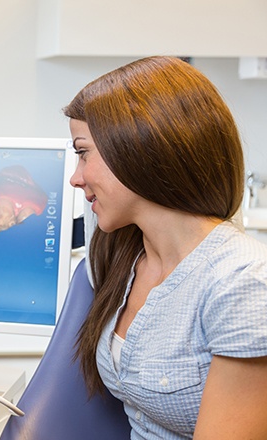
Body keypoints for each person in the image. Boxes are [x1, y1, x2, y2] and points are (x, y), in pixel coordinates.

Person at [65, 56, 267, 439]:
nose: (76, 178)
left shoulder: (243, 284)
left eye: (83, 152)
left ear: (139, 148)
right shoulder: (121, 256)